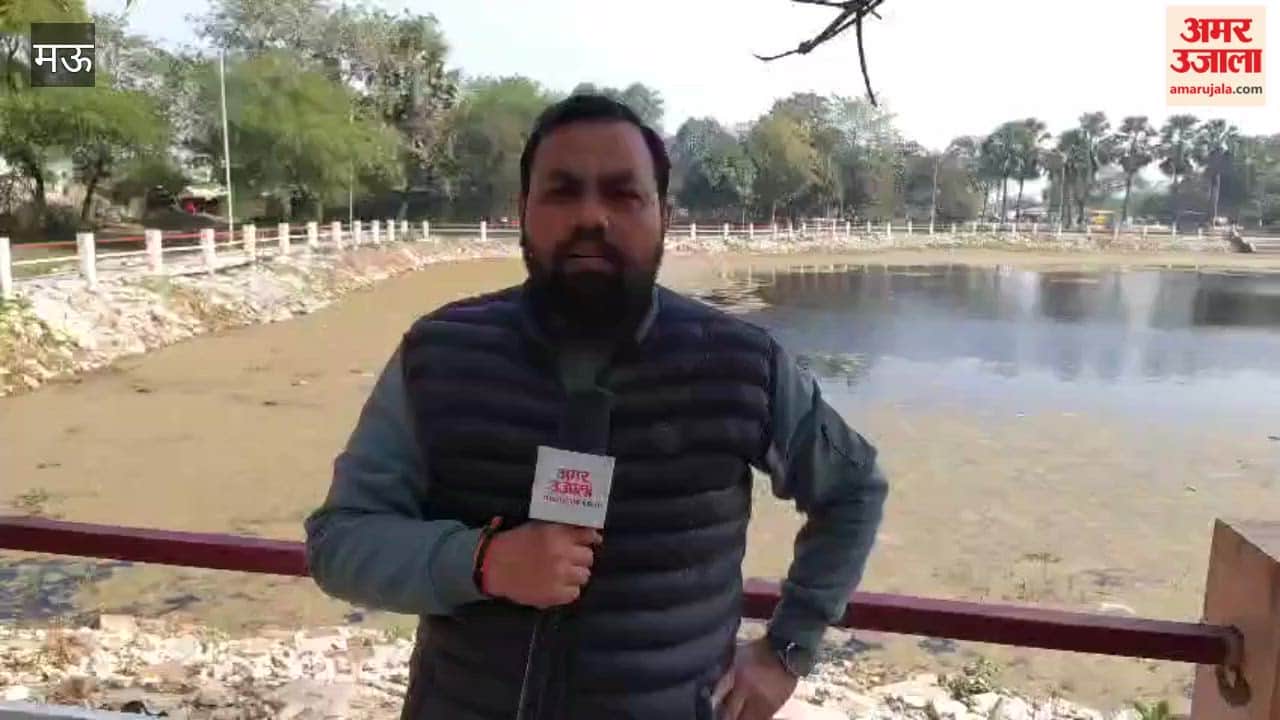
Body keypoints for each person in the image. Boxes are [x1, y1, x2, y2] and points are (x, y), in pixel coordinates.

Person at [304, 94, 889, 720]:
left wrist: (786, 650)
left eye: (622, 194)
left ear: (663, 215)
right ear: (522, 212)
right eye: (562, 192)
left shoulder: (742, 365)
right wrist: (483, 562)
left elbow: (852, 490)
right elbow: (342, 541)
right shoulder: (440, 355)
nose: (591, 216)